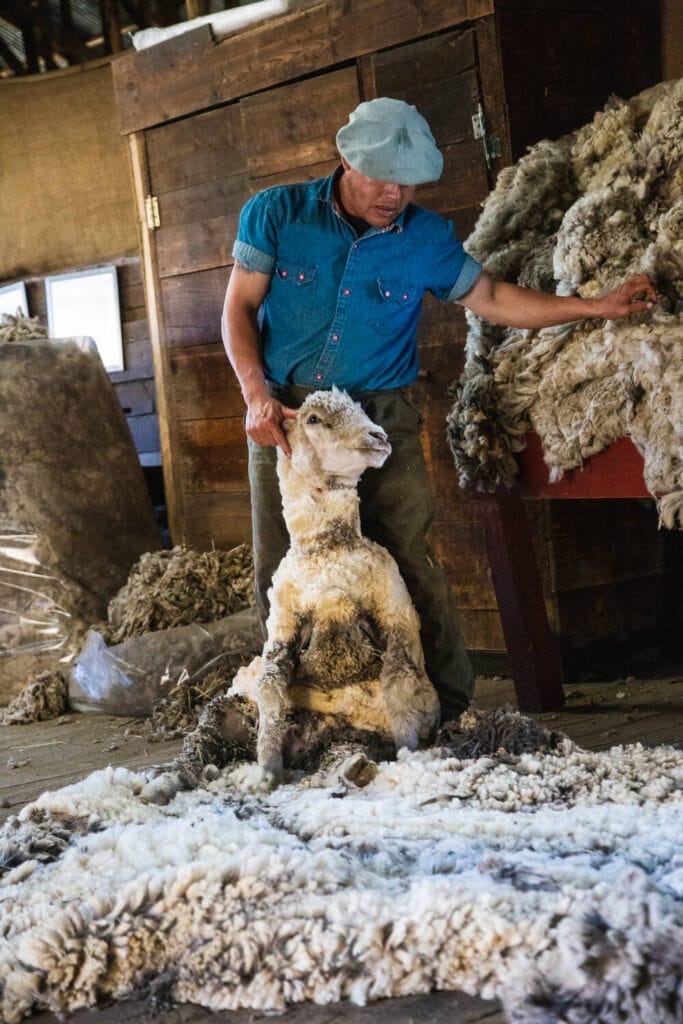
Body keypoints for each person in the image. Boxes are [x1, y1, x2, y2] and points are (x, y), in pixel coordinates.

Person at [221, 97, 656, 724]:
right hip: (290, 417)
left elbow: (492, 295)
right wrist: (255, 394)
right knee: (282, 559)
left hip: (378, 415)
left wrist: (594, 306)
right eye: (381, 176)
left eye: (409, 181)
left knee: (405, 551)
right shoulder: (276, 214)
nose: (395, 193)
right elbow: (237, 310)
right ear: (346, 158)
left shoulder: (426, 237)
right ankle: (295, 711)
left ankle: (449, 709)